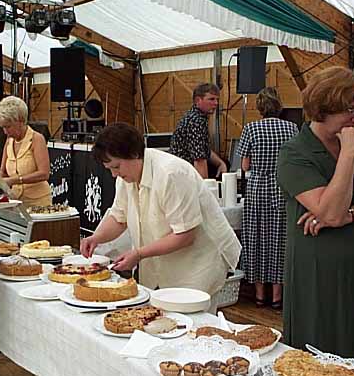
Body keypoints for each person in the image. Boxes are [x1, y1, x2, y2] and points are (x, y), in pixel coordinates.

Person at [277, 66, 354, 376]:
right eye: (350, 110)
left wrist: (348, 217)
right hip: (322, 271)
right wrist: (347, 156)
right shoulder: (295, 153)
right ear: (324, 107)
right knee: (326, 352)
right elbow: (328, 211)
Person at [81, 123, 241, 311]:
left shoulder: (171, 173)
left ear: (133, 154)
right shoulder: (126, 178)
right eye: (109, 168)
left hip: (198, 263)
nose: (114, 174)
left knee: (191, 325)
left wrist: (139, 254)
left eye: (116, 166)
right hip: (167, 262)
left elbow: (185, 235)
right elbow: (119, 217)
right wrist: (95, 238)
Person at [237, 87, 298, 309]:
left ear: (260, 107)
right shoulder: (292, 128)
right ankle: (277, 296)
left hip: (257, 188)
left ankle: (260, 295)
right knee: (279, 241)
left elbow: (244, 166)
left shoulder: (250, 129)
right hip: (282, 188)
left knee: (256, 240)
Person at [0, 96, 51, 206]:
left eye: (8, 127)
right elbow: (3, 171)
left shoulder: (37, 139)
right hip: (15, 200)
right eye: (2, 127)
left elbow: (44, 174)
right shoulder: (9, 140)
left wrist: (14, 180)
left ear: (20, 121)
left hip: (38, 202)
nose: (5, 132)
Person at [169, 83, 227, 178]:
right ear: (198, 100)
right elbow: (199, 160)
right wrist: (205, 188)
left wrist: (221, 163)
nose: (216, 103)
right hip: (183, 175)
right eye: (211, 99)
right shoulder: (196, 121)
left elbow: (203, 150)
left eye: (217, 99)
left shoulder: (195, 117)